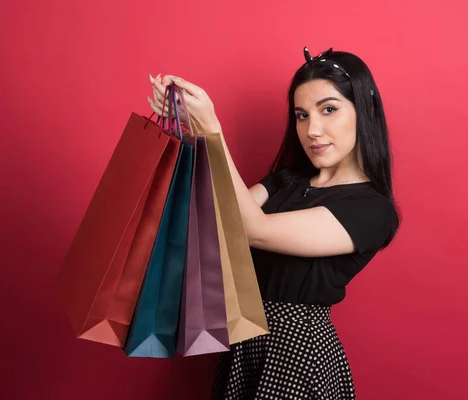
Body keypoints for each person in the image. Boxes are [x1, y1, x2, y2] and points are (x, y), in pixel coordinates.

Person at [147, 47, 400, 400]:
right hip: (245, 345)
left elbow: (253, 230)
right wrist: (192, 130)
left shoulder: (371, 210)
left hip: (298, 356)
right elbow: (220, 222)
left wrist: (213, 130)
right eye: (301, 115)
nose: (312, 130)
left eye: (329, 109)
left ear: (365, 111)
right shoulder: (287, 180)